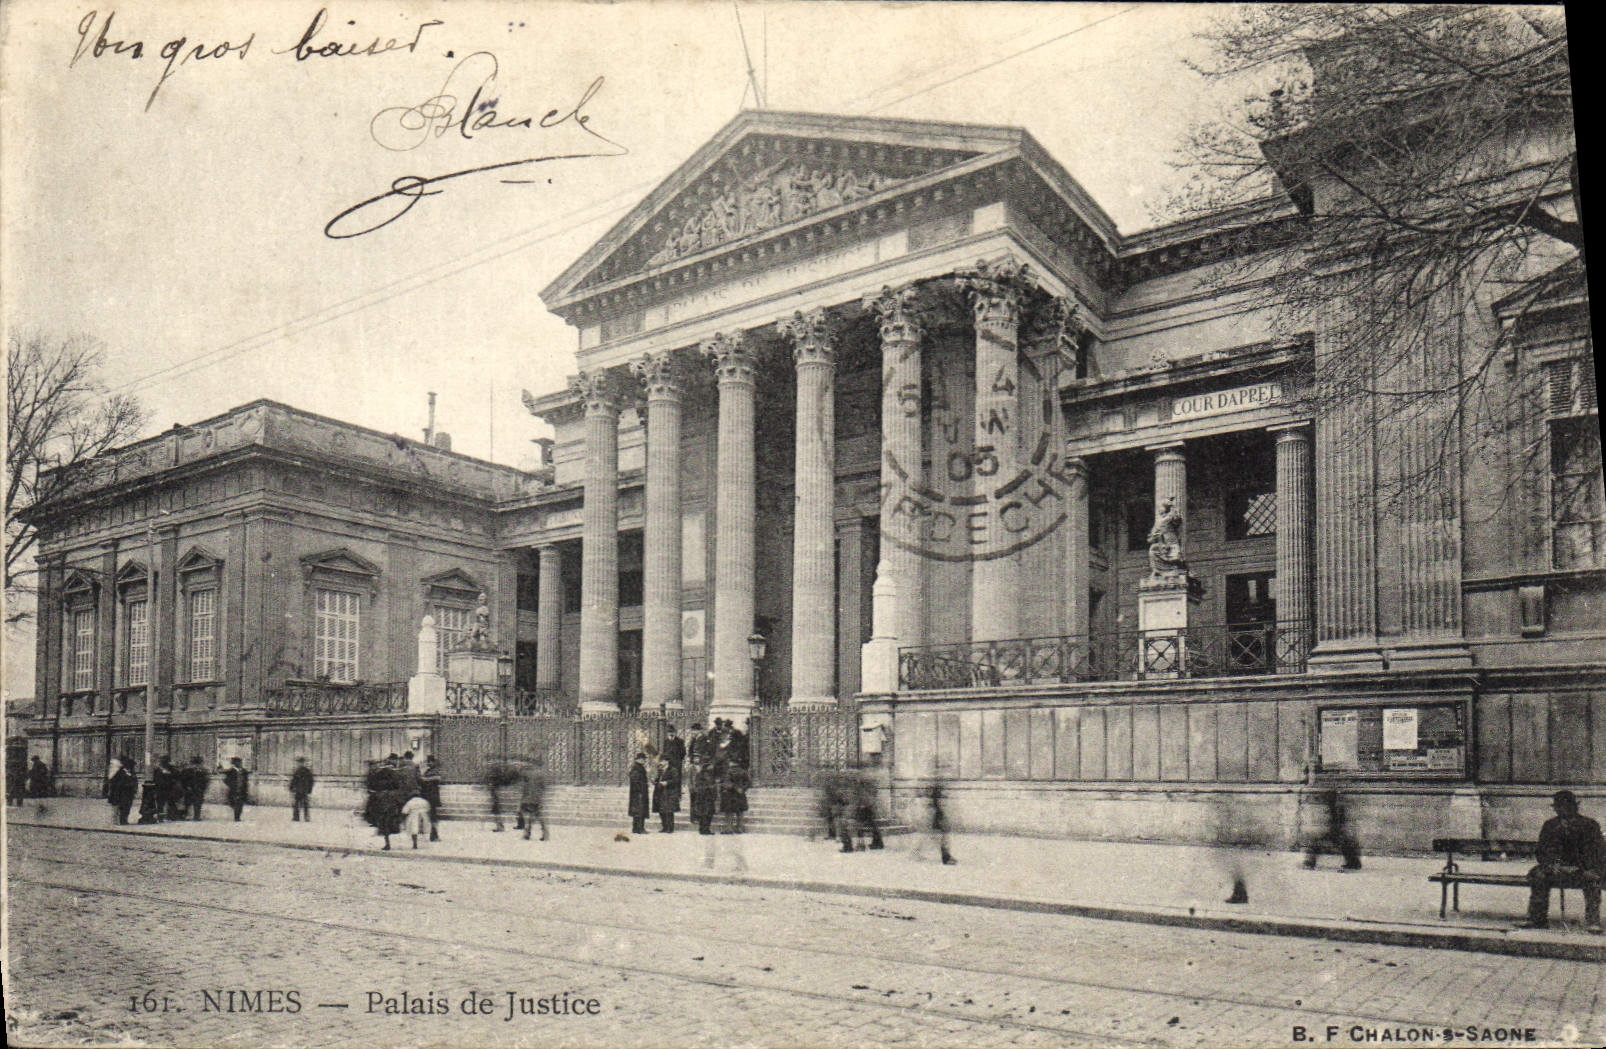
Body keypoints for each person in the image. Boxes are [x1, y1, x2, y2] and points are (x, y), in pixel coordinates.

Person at [1518, 790, 1604, 933]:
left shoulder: (1589, 825)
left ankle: (1593, 921)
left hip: (1583, 868)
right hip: (1557, 868)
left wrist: (1580, 868)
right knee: (1538, 875)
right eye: (1558, 807)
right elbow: (1542, 850)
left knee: (1593, 879)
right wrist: (1554, 864)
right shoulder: (1550, 826)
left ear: (1574, 807)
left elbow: (1597, 851)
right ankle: (1537, 919)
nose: (1561, 810)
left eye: (1566, 806)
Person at [1302, 786, 1362, 871]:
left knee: (1316, 844)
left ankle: (1309, 863)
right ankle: (1354, 863)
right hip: (1336, 831)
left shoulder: (1336, 806)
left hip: (1335, 830)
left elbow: (1337, 819)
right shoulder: (1337, 805)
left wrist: (1334, 828)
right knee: (1346, 844)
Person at [363, 759, 405, 850]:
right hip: (391, 801)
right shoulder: (395, 775)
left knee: (384, 822)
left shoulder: (378, 775)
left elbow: (372, 788)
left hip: (382, 801)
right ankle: (389, 841)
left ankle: (387, 842)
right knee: (391, 821)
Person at [518, 759, 548, 842]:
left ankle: (527, 834)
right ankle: (544, 834)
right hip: (537, 797)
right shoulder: (541, 774)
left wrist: (523, 797)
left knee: (530, 816)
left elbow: (523, 786)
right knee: (537, 816)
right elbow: (544, 786)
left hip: (528, 797)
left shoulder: (527, 773)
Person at [927, 779, 956, 865]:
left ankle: (947, 856)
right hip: (940, 818)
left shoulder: (938, 794)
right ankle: (946, 858)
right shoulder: (938, 796)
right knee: (943, 838)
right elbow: (938, 806)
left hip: (940, 818)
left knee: (943, 838)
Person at [652, 757, 680, 834]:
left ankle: (670, 828)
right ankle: (664, 827)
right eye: (661, 761)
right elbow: (658, 779)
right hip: (660, 792)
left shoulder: (673, 770)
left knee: (669, 811)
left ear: (667, 762)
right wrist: (655, 781)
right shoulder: (660, 770)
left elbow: (676, 780)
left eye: (663, 761)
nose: (661, 762)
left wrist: (667, 783)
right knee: (662, 811)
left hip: (669, 793)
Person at [106, 758, 138, 825]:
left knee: (127, 807)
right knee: (119, 808)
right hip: (120, 794)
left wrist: (134, 788)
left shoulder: (131, 773)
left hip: (129, 794)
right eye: (131, 766)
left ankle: (124, 820)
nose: (132, 767)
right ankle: (118, 821)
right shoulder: (120, 772)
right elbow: (117, 783)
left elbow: (135, 781)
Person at [418, 755, 443, 841]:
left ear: (434, 762)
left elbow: (438, 778)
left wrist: (426, 779)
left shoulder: (436, 770)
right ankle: (432, 834)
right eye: (428, 761)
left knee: (433, 815)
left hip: (432, 795)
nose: (429, 763)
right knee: (430, 815)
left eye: (430, 761)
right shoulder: (428, 770)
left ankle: (434, 834)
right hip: (427, 794)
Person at [181, 756, 210, 820]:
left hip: (198, 789)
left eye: (198, 764)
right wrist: (186, 787)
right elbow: (183, 779)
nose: (196, 766)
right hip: (191, 788)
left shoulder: (203, 771)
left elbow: (206, 780)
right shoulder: (187, 770)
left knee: (198, 802)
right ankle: (188, 815)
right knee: (188, 802)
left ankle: (196, 816)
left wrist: (203, 788)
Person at [690, 763, 717, 835]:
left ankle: (707, 829)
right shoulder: (700, 775)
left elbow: (714, 785)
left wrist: (714, 791)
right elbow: (699, 785)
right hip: (703, 797)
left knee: (709, 814)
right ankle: (703, 829)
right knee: (703, 814)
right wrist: (708, 787)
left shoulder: (711, 776)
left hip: (710, 797)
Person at [628, 752, 650, 835]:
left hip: (637, 793)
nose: (644, 761)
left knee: (637, 812)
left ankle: (636, 828)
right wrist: (640, 790)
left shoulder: (637, 767)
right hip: (639, 793)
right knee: (640, 811)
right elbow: (636, 781)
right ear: (639, 760)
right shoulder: (637, 768)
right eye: (643, 759)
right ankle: (640, 828)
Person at [222, 756, 250, 821]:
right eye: (238, 762)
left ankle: (237, 816)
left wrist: (246, 788)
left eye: (240, 762)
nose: (240, 764)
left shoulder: (244, 771)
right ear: (234, 763)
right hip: (234, 789)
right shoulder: (231, 771)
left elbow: (246, 781)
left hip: (242, 789)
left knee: (240, 803)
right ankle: (236, 815)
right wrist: (231, 785)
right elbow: (226, 780)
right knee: (234, 803)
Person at [289, 756, 314, 821]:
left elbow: (311, 781)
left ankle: (300, 817)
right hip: (301, 790)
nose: (300, 764)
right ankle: (301, 817)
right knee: (299, 804)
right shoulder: (305, 771)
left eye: (301, 762)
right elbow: (294, 780)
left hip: (301, 790)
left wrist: (291, 788)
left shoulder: (301, 771)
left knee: (301, 804)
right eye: (299, 763)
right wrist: (309, 790)